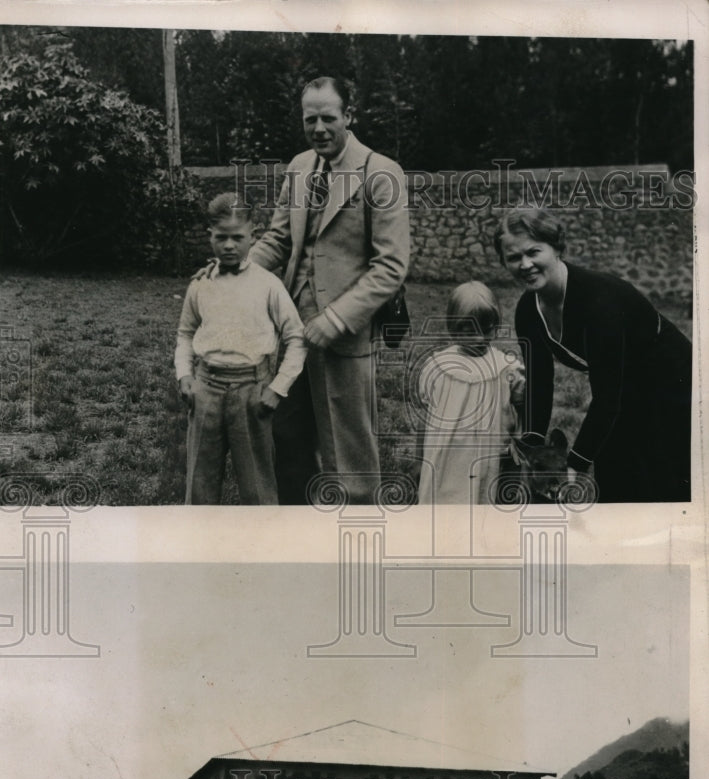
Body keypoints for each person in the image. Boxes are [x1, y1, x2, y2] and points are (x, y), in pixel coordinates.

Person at [250, 76, 410, 504]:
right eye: (310, 119)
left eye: (328, 118)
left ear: (349, 117)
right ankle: (300, 532)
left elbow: (391, 266)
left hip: (345, 335)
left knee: (348, 445)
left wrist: (335, 319)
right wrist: (235, 271)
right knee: (286, 433)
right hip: (290, 330)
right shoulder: (299, 167)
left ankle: (356, 535)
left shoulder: (381, 173)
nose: (319, 128)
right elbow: (279, 240)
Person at [494, 207, 692, 502]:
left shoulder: (598, 302)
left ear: (556, 247)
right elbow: (539, 381)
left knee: (662, 484)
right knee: (615, 482)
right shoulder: (527, 312)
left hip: (673, 382)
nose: (525, 264)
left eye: (533, 252)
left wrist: (575, 464)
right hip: (623, 386)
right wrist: (533, 444)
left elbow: (607, 399)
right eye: (513, 258)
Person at [174, 193, 307, 504]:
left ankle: (260, 548)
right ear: (211, 237)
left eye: (237, 237)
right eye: (221, 238)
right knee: (200, 486)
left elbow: (296, 337)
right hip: (206, 389)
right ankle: (202, 547)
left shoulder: (268, 285)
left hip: (253, 391)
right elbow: (185, 333)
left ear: (253, 236)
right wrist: (184, 376)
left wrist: (278, 388)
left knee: (258, 487)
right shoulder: (201, 284)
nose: (229, 246)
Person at [417, 281, 525, 505]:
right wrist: (420, 458)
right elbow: (425, 418)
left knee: (482, 506)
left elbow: (522, 412)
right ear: (454, 329)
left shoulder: (506, 369)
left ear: (496, 325)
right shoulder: (437, 367)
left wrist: (516, 455)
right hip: (445, 458)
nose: (478, 338)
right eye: (468, 331)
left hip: (487, 457)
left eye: (486, 330)